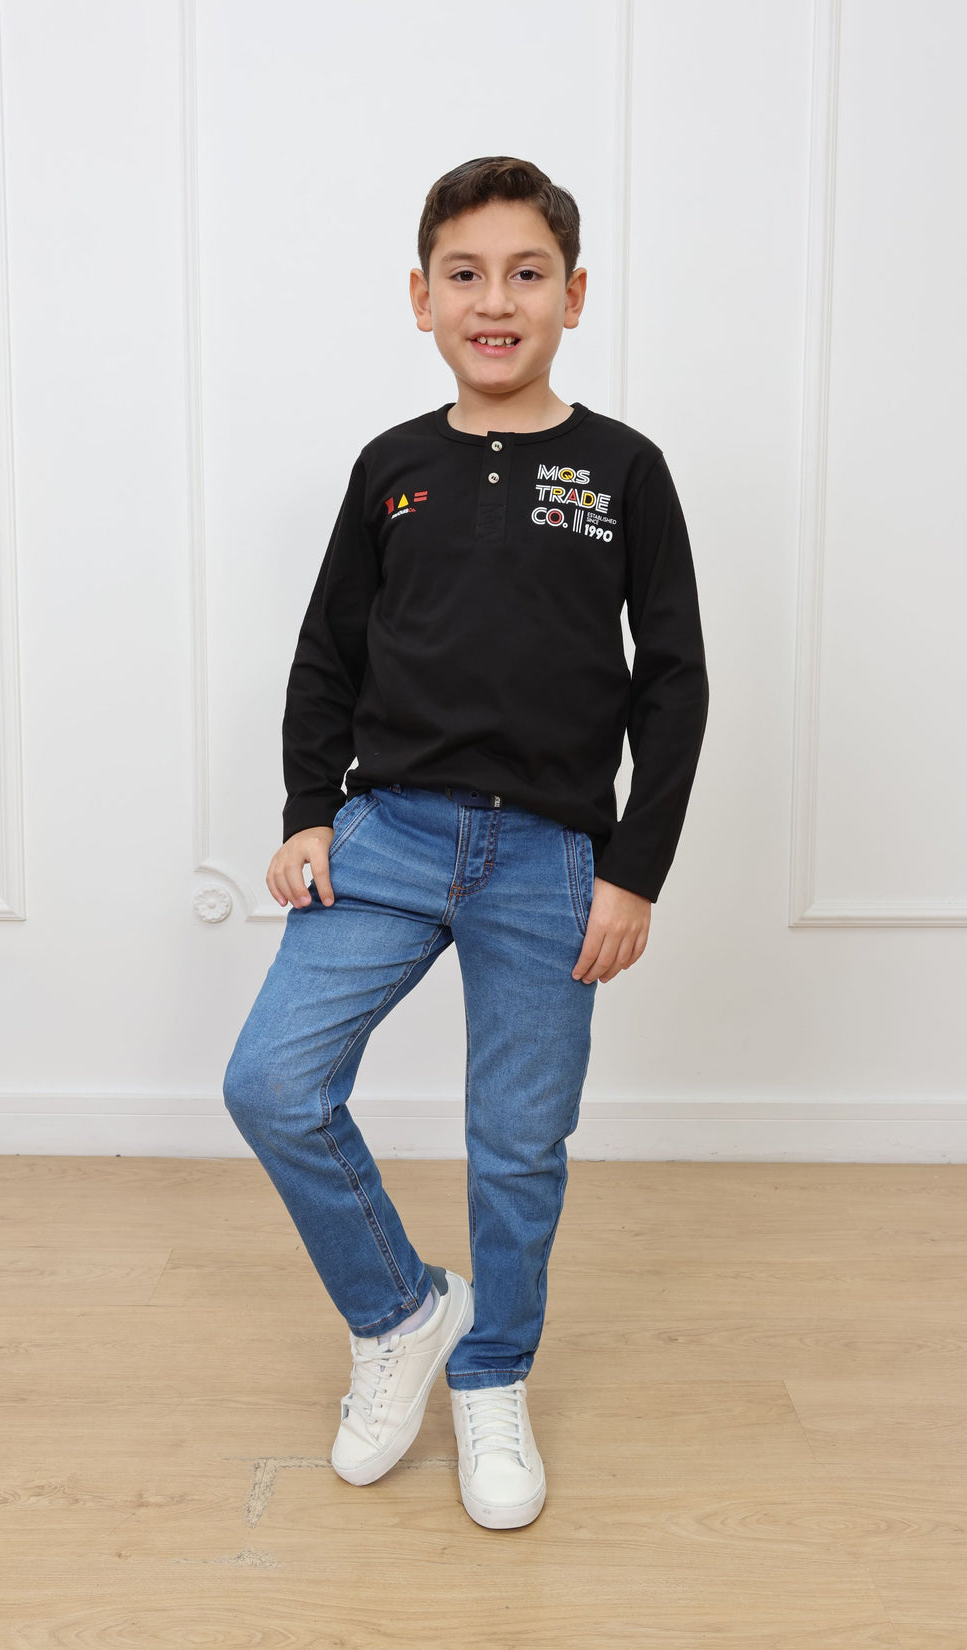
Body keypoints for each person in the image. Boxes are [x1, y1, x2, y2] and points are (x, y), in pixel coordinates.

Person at [222, 155, 709, 1531]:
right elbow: (328, 653)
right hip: (386, 835)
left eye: (526, 273)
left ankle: (494, 1376)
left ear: (574, 295)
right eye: (466, 275)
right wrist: (308, 808)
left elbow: (674, 679)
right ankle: (404, 1312)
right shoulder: (392, 467)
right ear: (422, 297)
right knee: (272, 1083)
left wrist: (635, 870)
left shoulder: (623, 470)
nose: (496, 301)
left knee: (518, 1142)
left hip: (550, 858)